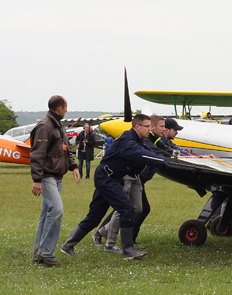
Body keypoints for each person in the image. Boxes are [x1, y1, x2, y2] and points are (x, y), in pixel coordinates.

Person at [60, 114, 166, 260]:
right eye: (147, 126)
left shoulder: (137, 140)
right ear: (137, 127)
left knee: (94, 217)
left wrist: (170, 159)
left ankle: (67, 246)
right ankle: (128, 251)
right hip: (106, 179)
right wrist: (162, 162)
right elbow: (140, 155)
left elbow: (150, 152)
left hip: (110, 178)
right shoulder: (128, 141)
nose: (150, 129)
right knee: (127, 209)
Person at [30, 95, 81, 266]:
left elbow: (65, 149)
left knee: (47, 214)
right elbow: (37, 154)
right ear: (60, 108)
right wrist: (37, 179)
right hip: (47, 176)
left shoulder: (59, 125)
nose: (67, 110)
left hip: (57, 176)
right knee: (57, 210)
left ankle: (38, 253)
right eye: (65, 107)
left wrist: (73, 166)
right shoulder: (45, 127)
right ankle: (46, 253)